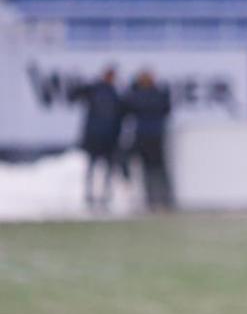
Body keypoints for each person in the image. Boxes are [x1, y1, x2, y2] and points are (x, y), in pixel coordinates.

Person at [68, 66, 123, 212]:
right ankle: (89, 195)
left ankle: (105, 196)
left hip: (109, 138)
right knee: (92, 167)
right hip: (95, 137)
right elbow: (74, 95)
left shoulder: (114, 93)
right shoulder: (95, 89)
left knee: (107, 169)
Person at [122, 70, 174, 211]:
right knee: (157, 169)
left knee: (150, 169)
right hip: (155, 134)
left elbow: (128, 107)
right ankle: (163, 199)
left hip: (145, 134)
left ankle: (154, 199)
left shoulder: (138, 95)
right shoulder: (158, 94)